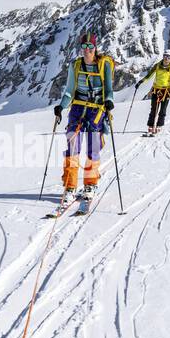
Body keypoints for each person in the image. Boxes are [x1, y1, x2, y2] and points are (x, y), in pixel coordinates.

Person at [52, 33, 114, 209]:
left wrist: (109, 101)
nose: (87, 50)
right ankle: (70, 187)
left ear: (95, 48)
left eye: (90, 47)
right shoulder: (76, 65)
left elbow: (109, 89)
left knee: (93, 148)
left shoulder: (104, 65)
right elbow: (69, 90)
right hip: (78, 108)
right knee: (72, 147)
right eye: (84, 47)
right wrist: (61, 106)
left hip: (96, 109)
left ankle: (90, 183)